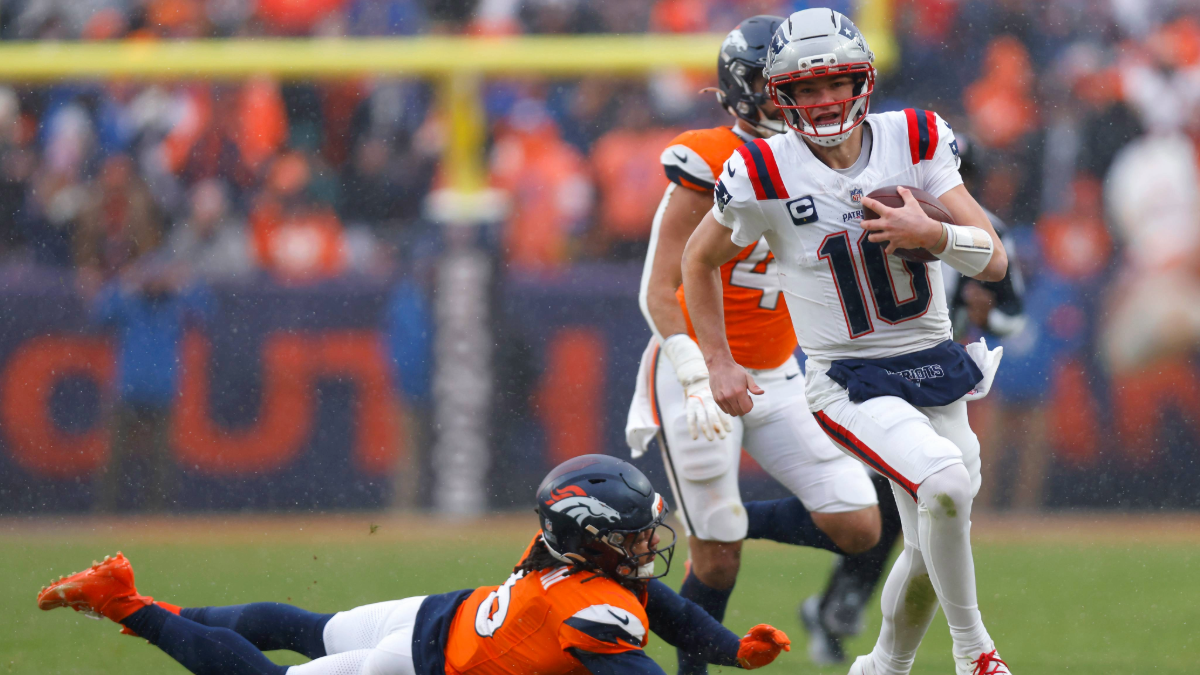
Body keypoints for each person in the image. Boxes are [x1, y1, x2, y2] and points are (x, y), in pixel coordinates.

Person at [680, 9, 1012, 675]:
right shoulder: (763, 169)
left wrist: (936, 236)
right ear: (782, 97)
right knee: (943, 484)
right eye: (805, 89)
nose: (824, 100)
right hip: (849, 378)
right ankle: (976, 651)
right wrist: (716, 358)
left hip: (935, 364)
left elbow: (996, 260)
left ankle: (884, 665)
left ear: (863, 80)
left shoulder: (915, 136)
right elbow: (697, 259)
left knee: (929, 540)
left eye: (835, 82)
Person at [626, 15, 882, 675]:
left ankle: (722, 517)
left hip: (779, 370)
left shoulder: (830, 160)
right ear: (748, 90)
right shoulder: (708, 158)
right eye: (791, 86)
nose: (811, 101)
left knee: (860, 524)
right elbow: (658, 291)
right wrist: (700, 362)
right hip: (699, 372)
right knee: (717, 558)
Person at [38, 454, 792, 675]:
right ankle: (127, 604)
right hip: (425, 660)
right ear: (590, 539)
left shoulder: (565, 558)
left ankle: (137, 601)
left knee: (301, 625)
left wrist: (732, 650)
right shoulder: (588, 603)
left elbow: (667, 611)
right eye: (630, 535)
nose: (643, 547)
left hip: (447, 615)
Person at [797, 133, 1028, 665]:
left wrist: (988, 313)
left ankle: (868, 645)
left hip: (939, 377)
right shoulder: (866, 203)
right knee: (898, 505)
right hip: (872, 378)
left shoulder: (989, 230)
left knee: (929, 525)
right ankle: (863, 611)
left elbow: (1011, 306)